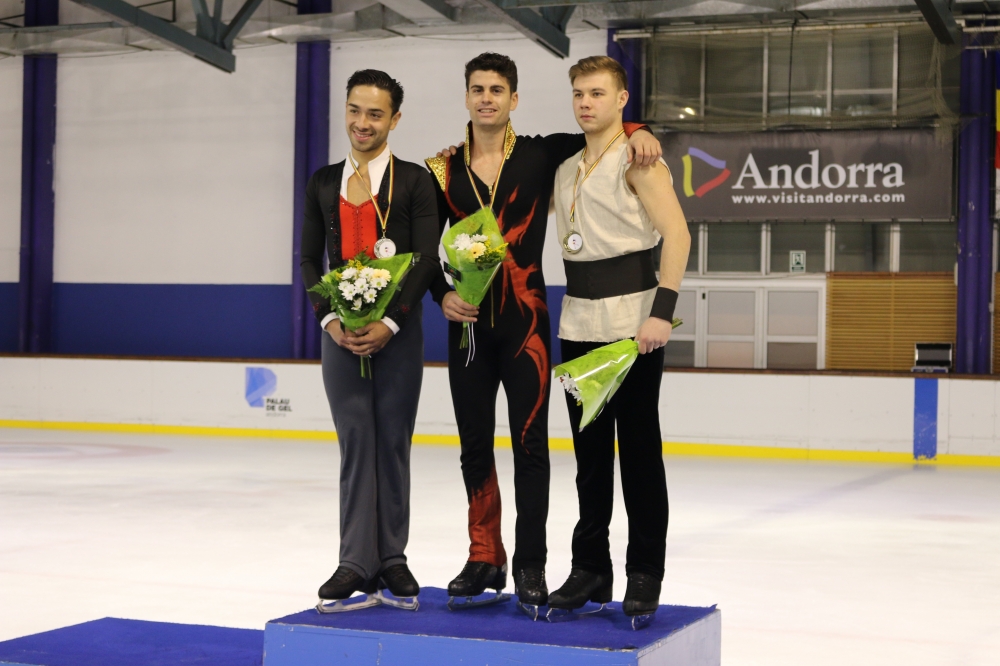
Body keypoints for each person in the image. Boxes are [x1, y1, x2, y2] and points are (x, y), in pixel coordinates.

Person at [424, 52, 663, 616]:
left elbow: (601, 129)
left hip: (527, 325)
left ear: (514, 99)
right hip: (469, 330)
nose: (487, 97)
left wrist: (640, 128)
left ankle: (531, 564)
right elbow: (421, 247)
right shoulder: (440, 169)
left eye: (498, 89)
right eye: (477, 88)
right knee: (475, 446)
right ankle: (485, 556)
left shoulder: (541, 152)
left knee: (532, 446)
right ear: (466, 97)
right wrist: (442, 295)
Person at [545, 56, 690, 627]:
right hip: (577, 325)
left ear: (622, 99)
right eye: (579, 93)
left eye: (598, 93)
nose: (586, 103)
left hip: (634, 327)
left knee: (638, 454)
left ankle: (645, 572)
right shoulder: (563, 167)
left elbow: (677, 235)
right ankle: (590, 568)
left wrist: (663, 312)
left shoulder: (639, 158)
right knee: (588, 460)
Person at [300, 69, 441, 612]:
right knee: (356, 440)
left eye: (375, 113)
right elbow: (311, 258)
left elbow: (426, 258)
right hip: (340, 335)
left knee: (392, 443)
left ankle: (392, 560)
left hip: (398, 334)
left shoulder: (413, 181)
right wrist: (329, 321)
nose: (363, 122)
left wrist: (392, 322)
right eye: (355, 110)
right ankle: (355, 560)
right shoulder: (321, 182)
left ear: (394, 119)